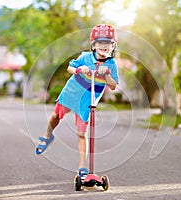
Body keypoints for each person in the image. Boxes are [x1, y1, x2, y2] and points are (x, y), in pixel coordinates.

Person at [35, 24, 119, 178]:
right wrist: (80, 69)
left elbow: (113, 86)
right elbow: (70, 68)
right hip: (72, 92)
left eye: (108, 43)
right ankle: (47, 136)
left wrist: (106, 74)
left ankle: (82, 168)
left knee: (81, 133)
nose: (104, 46)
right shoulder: (85, 57)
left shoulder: (111, 65)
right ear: (94, 45)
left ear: (113, 46)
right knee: (56, 116)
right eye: (100, 43)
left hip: (87, 99)